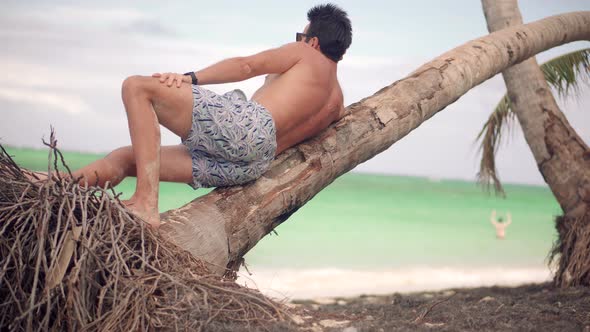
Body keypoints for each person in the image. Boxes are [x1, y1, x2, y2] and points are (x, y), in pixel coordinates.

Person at [29, 4, 353, 228]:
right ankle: (56, 184)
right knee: (129, 158)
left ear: (312, 41)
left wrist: (191, 78)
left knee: (137, 87)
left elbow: (247, 66)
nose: (296, 41)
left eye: (300, 36)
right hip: (252, 164)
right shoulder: (336, 103)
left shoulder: (305, 54)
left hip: (247, 130)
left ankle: (145, 203)